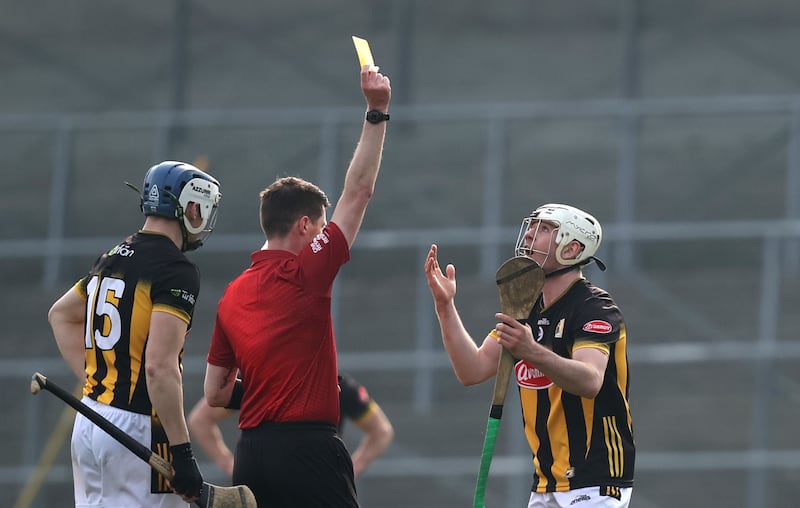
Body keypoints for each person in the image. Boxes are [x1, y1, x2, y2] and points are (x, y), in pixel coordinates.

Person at [202, 63, 391, 508]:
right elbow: (358, 192)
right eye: (322, 224)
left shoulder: (232, 294)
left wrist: (266, 389)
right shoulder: (306, 272)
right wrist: (377, 111)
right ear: (306, 226)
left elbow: (215, 394)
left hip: (250, 454)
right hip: (308, 451)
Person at [424, 203, 635, 508]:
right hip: (546, 482)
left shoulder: (594, 307)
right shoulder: (525, 308)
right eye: (533, 226)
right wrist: (445, 306)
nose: (531, 235)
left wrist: (530, 351)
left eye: (545, 229)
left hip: (597, 480)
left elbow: (590, 380)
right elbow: (472, 369)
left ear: (572, 248)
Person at [47, 161, 222, 507]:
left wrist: (100, 380)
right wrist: (182, 452)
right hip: (139, 427)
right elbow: (159, 367)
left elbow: (61, 315)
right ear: (190, 206)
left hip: (92, 416)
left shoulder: (112, 256)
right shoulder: (176, 269)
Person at [188, 372, 394, 479]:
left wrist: (352, 468)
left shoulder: (338, 384)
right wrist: (228, 464)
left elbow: (381, 431)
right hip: (271, 482)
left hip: (319, 484)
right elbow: (200, 419)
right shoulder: (255, 379)